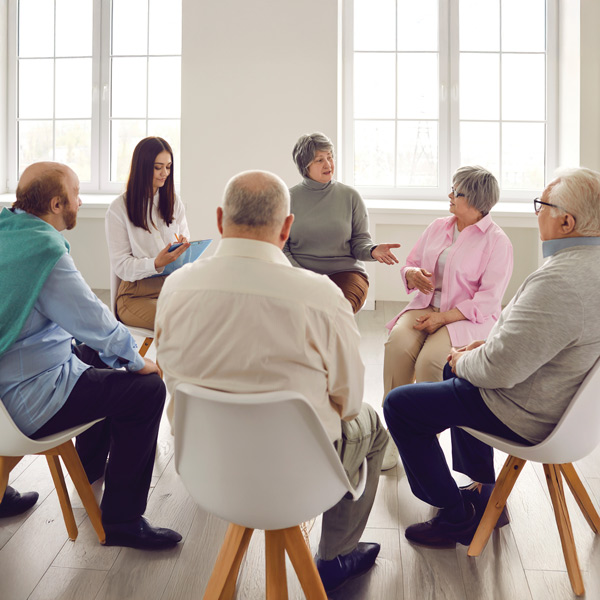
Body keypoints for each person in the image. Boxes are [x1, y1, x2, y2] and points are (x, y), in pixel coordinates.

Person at [156, 170, 388, 593]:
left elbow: (171, 376)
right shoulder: (321, 297)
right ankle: (336, 557)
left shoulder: (175, 287)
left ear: (221, 219)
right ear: (287, 228)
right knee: (371, 425)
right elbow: (350, 401)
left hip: (207, 471)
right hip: (299, 477)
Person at [383, 167, 600, 548]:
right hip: (566, 411)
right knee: (454, 380)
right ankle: (483, 494)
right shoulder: (585, 270)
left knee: (403, 404)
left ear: (566, 221)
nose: (537, 214)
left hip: (527, 411)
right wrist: (481, 351)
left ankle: (454, 514)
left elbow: (498, 370)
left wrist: (460, 360)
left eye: (542, 206)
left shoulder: (559, 279)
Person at [0, 161, 182, 550]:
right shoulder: (43, 252)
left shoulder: (8, 231)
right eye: (76, 195)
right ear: (55, 204)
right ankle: (123, 521)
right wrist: (136, 359)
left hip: (6, 389)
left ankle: (87, 468)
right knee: (147, 389)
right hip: (32, 399)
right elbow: (93, 319)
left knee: (96, 358)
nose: (81, 202)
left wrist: (114, 354)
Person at [380, 166, 513, 470]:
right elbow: (411, 264)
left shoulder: (497, 242)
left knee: (431, 362)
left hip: (464, 316)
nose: (450, 196)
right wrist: (412, 274)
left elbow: (489, 299)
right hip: (425, 305)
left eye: (458, 192)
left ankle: (424, 436)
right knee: (397, 346)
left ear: (477, 202)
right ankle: (395, 431)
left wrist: (444, 319)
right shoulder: (439, 226)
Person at [284, 132, 401, 313]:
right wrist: (302, 276)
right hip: (302, 273)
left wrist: (372, 250)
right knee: (301, 316)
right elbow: (282, 248)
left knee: (336, 313)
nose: (328, 164)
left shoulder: (350, 196)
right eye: (319, 160)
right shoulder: (287, 199)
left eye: (330, 157)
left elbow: (359, 242)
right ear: (304, 165)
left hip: (345, 273)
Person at [105, 136, 190, 330]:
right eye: (158, 167)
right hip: (135, 294)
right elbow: (121, 266)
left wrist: (183, 247)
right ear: (142, 167)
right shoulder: (119, 209)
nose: (165, 173)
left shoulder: (174, 201)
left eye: (168, 167)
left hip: (171, 286)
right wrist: (156, 263)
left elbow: (185, 241)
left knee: (207, 315)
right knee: (179, 324)